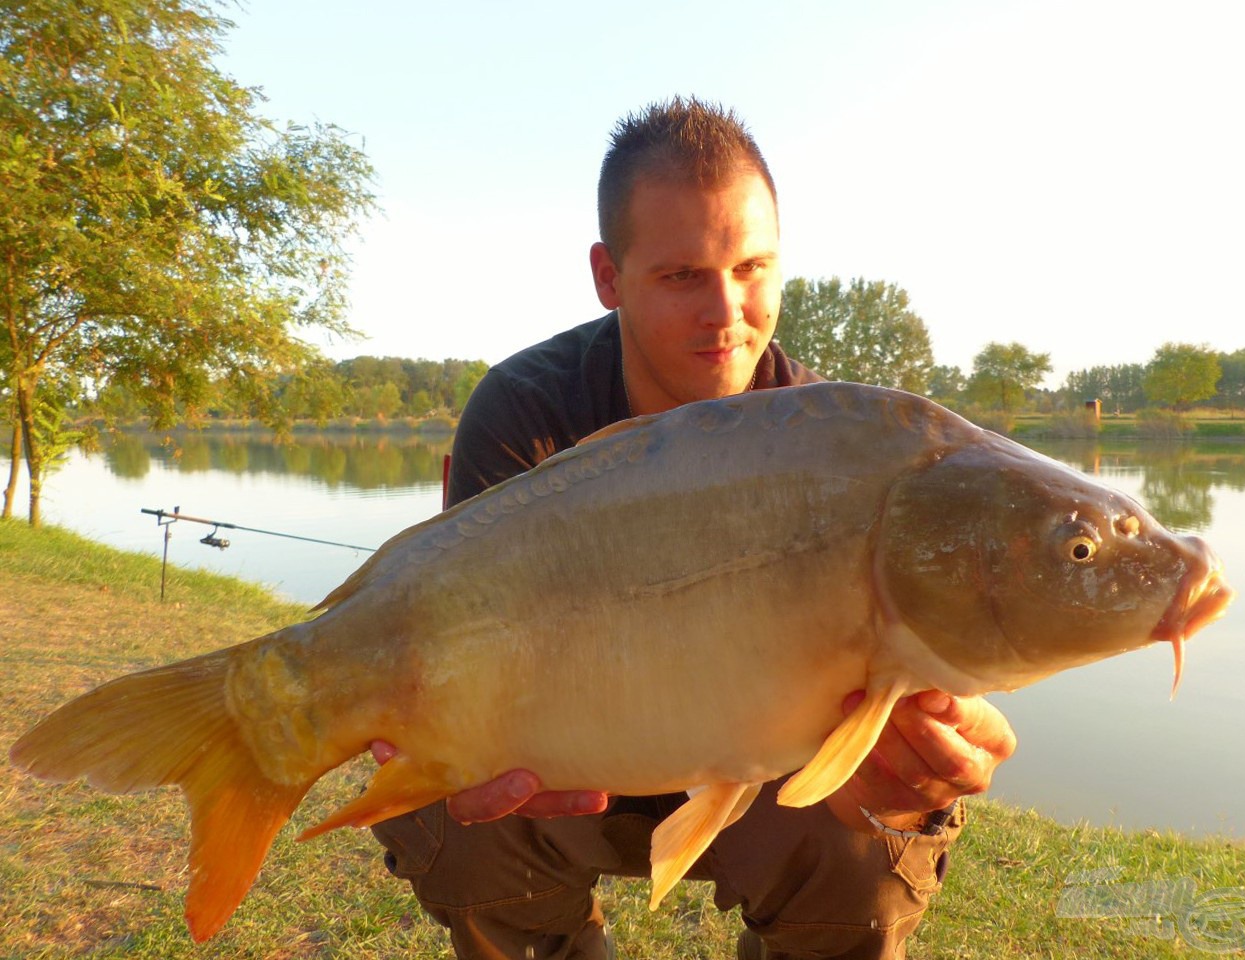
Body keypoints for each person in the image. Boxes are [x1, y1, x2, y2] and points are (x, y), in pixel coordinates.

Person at [370, 97, 1016, 960]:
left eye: (753, 268)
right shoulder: (525, 409)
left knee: (874, 836)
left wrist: (929, 745)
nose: (727, 313)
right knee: (446, 805)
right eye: (682, 277)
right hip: (568, 766)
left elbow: (909, 666)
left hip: (764, 774)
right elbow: (459, 638)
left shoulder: (835, 444)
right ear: (609, 276)